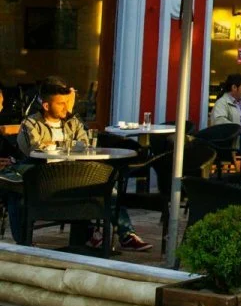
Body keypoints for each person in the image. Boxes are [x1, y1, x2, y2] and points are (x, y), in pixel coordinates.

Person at [10, 79, 153, 251]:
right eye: (61, 103)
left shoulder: (72, 122)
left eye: (67, 103)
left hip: (76, 172)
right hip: (46, 175)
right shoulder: (31, 123)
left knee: (108, 188)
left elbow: (85, 144)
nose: (65, 107)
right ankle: (25, 240)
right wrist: (68, 145)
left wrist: (56, 144)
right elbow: (35, 149)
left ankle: (126, 235)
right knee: (16, 191)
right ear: (47, 106)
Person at [209, 74, 241, 146]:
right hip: (240, 139)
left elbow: (238, 120)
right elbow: (219, 122)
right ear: (234, 87)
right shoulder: (222, 103)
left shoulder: (239, 103)